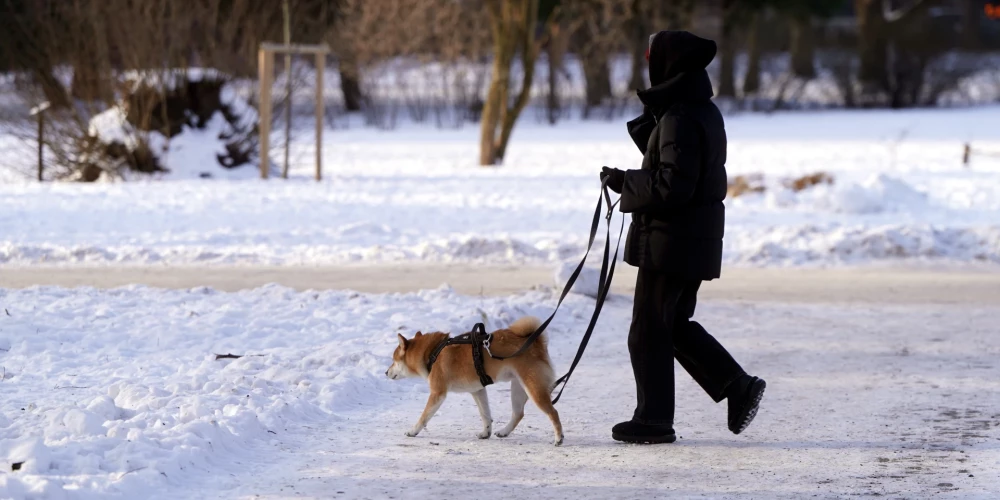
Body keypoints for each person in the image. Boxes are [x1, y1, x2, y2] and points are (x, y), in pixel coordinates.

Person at [600, 31, 765, 444]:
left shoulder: (680, 117)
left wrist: (626, 182)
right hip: (687, 240)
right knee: (671, 325)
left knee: (648, 331)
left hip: (672, 240)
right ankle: (736, 385)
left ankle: (653, 420)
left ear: (666, 64)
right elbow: (673, 166)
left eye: (651, 58)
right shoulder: (695, 110)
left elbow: (673, 186)